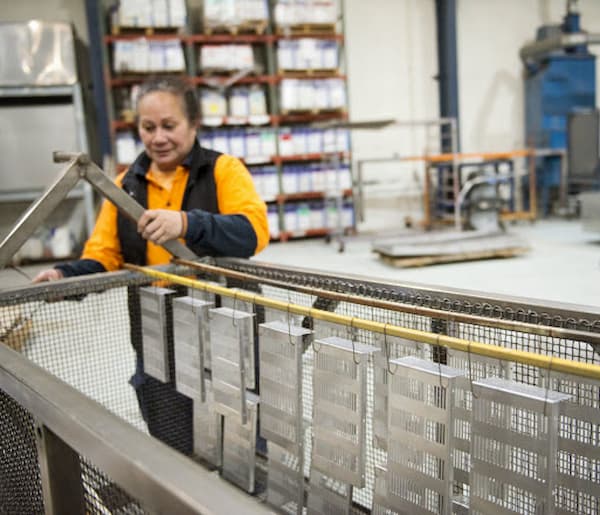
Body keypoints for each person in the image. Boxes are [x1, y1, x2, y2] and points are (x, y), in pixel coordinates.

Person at [34, 76, 269, 454]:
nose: (158, 137)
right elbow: (105, 255)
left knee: (237, 426)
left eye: (169, 126)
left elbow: (252, 232)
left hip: (225, 323)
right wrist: (65, 276)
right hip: (158, 326)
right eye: (148, 127)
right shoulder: (125, 185)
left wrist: (188, 223)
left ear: (194, 124)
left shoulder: (223, 171)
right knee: (169, 425)